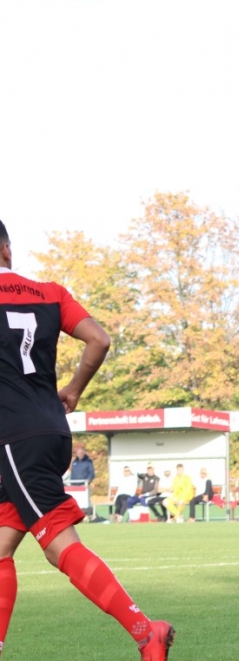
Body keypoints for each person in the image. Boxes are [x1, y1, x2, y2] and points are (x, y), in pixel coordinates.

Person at [0, 220, 173, 658]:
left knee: (59, 545)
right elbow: (99, 339)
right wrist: (73, 391)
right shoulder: (51, 293)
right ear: (7, 250)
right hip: (53, 430)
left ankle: (144, 631)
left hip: (13, 439)